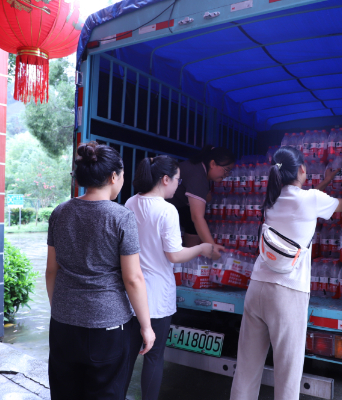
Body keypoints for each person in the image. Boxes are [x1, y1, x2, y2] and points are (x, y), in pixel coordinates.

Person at [230, 146, 342, 400]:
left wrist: (324, 183)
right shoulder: (311, 200)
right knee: (287, 373)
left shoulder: (271, 201)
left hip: (257, 287)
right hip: (287, 293)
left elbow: (304, 202)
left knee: (246, 369)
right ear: (301, 169)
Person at [45, 142, 156, 400]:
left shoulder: (59, 212)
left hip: (63, 324)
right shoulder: (121, 217)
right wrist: (146, 326)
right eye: (123, 175)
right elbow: (133, 278)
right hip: (108, 327)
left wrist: (61, 309)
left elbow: (51, 270)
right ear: (114, 176)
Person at [124, 155, 225, 400]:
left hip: (131, 294)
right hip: (157, 297)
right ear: (165, 179)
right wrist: (202, 248)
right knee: (154, 358)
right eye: (178, 180)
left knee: (126, 358)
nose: (179, 185)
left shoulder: (130, 202)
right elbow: (174, 255)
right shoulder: (167, 210)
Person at [168, 145, 235, 247]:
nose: (226, 175)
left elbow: (206, 198)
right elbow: (197, 217)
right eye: (226, 170)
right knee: (195, 220)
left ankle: (191, 254)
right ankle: (190, 254)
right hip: (161, 206)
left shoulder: (202, 171)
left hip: (175, 205)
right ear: (212, 164)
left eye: (229, 172)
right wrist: (212, 247)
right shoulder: (197, 175)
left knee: (191, 223)